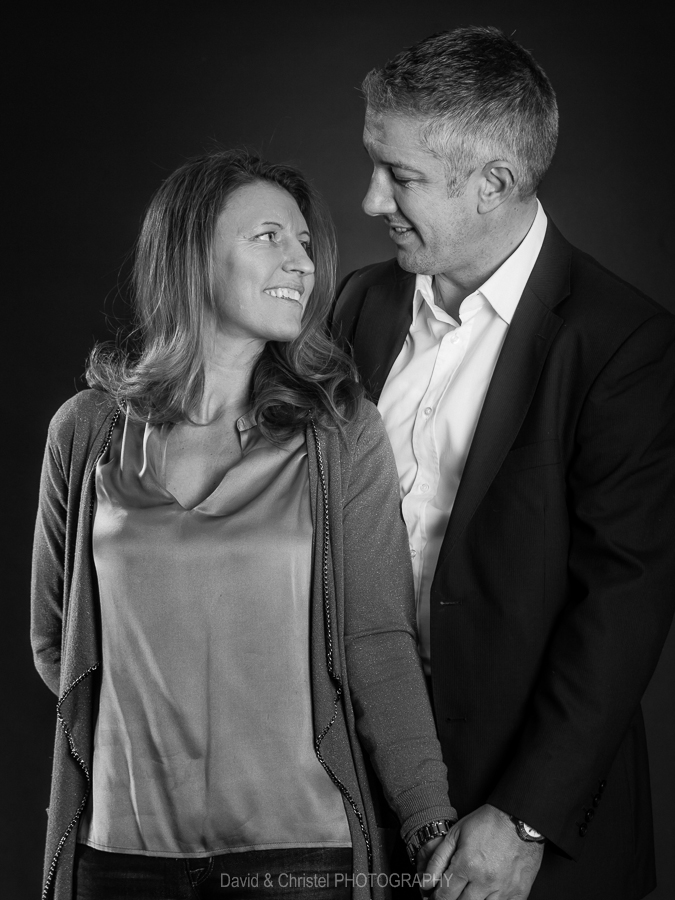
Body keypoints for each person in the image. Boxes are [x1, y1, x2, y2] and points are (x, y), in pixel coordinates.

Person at [31, 149, 458, 900]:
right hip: (121, 857)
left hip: (300, 859)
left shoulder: (340, 434)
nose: (302, 264)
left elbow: (376, 641)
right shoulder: (86, 430)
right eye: (269, 237)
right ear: (190, 252)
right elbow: (56, 641)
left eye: (305, 244)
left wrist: (427, 820)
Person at [332, 26, 675, 900]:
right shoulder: (360, 305)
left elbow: (623, 604)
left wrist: (524, 816)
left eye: (399, 175)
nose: (370, 200)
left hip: (527, 818)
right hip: (357, 792)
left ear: (494, 182)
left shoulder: (621, 343)